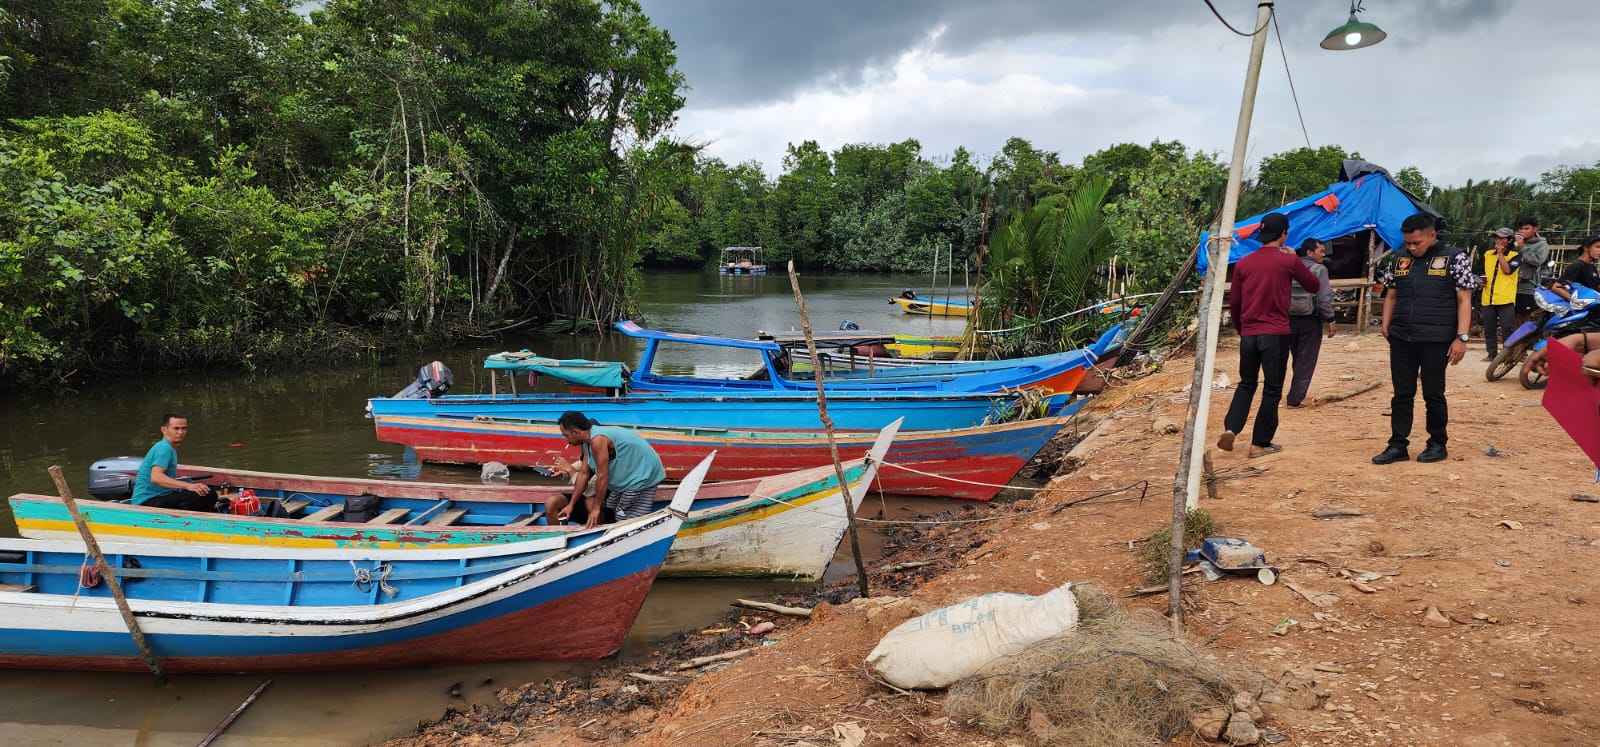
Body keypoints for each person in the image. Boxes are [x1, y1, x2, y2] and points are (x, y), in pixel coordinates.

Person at [1372, 213, 1477, 465]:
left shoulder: (1454, 258)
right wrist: (1386, 324)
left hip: (1437, 338)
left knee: (1433, 393)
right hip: (1402, 337)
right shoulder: (1398, 258)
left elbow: (1464, 299)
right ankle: (1397, 445)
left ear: (1432, 235)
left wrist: (1461, 337)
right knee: (1402, 393)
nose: (1411, 247)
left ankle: (1437, 443)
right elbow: (1392, 294)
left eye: (1416, 243)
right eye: (1407, 242)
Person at [1217, 212, 1321, 457]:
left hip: (1249, 334)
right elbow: (1313, 286)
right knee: (1272, 388)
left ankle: (1231, 429)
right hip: (1275, 333)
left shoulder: (1243, 263)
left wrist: (1243, 330)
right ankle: (1259, 444)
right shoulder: (1288, 261)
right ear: (1284, 233)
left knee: (1246, 383)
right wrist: (1295, 258)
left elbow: (1236, 303)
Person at [546, 411, 666, 529]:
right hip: (624, 481)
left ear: (575, 432)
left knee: (626, 521)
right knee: (612, 507)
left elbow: (602, 476)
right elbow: (583, 474)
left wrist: (596, 509)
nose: (566, 439)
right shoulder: (586, 442)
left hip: (642, 476)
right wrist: (571, 505)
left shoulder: (598, 439)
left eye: (566, 435)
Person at [1286, 238, 1335, 407]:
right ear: (1309, 252)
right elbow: (1323, 298)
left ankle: (1296, 391)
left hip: (1288, 318)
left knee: (1297, 356)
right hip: (1310, 320)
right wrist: (1330, 318)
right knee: (1306, 360)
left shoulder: (1290, 266)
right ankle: (1295, 398)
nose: (1324, 254)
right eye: (1321, 251)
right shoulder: (1319, 269)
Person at [131, 413, 216, 511]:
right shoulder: (164, 448)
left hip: (161, 496)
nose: (180, 432)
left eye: (184, 428)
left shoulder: (168, 447)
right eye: (176, 428)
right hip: (146, 502)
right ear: (164, 430)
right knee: (207, 495)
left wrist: (189, 485)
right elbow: (156, 478)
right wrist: (189, 486)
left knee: (205, 491)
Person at [1479, 228, 1520, 360]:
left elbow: (1507, 270)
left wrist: (1501, 254)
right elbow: (1483, 272)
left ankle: (1507, 355)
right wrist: (1481, 280)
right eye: (1496, 237)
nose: (1498, 240)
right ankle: (1491, 354)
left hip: (1505, 299)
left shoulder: (1515, 255)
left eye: (1502, 238)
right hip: (1487, 298)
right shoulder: (1487, 254)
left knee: (1507, 328)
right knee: (1489, 328)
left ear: (1509, 240)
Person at [1513, 216, 1550, 321]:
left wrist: (1522, 247)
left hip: (1529, 287)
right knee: (1512, 318)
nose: (1523, 231)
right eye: (1521, 229)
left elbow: (1537, 261)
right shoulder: (1515, 243)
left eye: (1526, 228)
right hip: (1511, 286)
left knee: (1526, 318)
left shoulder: (1542, 244)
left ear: (1535, 229)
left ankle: (1525, 337)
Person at [1552, 236, 1600, 301]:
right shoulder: (1576, 266)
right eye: (1598, 247)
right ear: (1586, 248)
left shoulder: (1592, 266)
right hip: (1584, 309)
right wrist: (1575, 301)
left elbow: (1596, 286)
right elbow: (1556, 287)